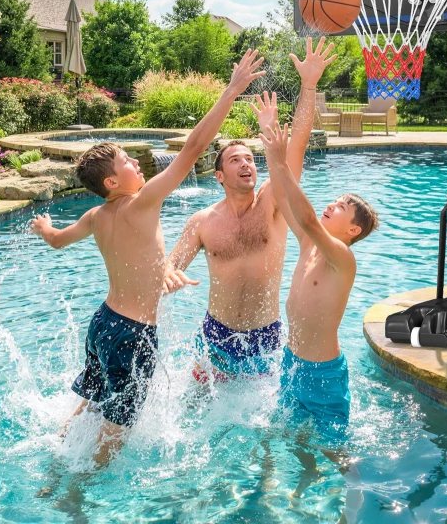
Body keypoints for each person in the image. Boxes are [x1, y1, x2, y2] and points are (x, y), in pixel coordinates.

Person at [30, 50, 265, 465]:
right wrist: (231, 91)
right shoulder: (142, 204)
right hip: (133, 333)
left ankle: (57, 457)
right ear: (111, 181)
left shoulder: (94, 215)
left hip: (102, 323)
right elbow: (193, 148)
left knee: (91, 400)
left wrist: (44, 227)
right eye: (126, 162)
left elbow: (57, 242)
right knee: (120, 425)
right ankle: (79, 490)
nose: (137, 164)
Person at [164, 37, 336, 380]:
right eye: (235, 160)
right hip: (215, 338)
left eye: (250, 159)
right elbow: (173, 262)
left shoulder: (272, 203)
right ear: (219, 176)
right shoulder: (202, 221)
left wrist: (309, 85)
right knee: (198, 413)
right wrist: (167, 273)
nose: (247, 164)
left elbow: (296, 149)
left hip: (265, 340)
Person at [258, 115, 378, 440]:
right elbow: (283, 202)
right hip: (291, 363)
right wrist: (272, 151)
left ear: (353, 230)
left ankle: (353, 490)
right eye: (335, 201)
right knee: (295, 436)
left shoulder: (342, 257)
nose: (331, 205)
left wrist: (283, 164)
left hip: (322, 374)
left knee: (334, 448)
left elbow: (309, 219)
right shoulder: (309, 243)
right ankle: (300, 491)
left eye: (340, 207)